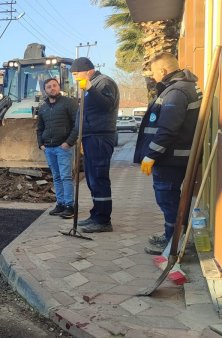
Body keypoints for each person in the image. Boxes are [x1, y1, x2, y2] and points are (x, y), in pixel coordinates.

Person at [134, 53, 202, 255]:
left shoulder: (176, 92)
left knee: (167, 197)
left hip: (171, 158)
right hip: (175, 156)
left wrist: (151, 155)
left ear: (163, 70)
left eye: (154, 72)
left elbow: (168, 129)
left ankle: (174, 241)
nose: (153, 77)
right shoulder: (182, 87)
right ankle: (172, 234)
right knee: (172, 198)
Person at [70, 57, 120, 233]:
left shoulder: (103, 83)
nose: (75, 78)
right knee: (92, 179)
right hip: (90, 137)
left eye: (76, 74)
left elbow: (107, 106)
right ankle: (96, 214)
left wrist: (90, 89)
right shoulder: (90, 85)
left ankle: (103, 220)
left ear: (87, 70)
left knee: (98, 177)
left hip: (100, 136)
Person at [37, 78, 79, 219]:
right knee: (56, 177)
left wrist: (69, 142)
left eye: (54, 85)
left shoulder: (69, 103)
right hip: (49, 148)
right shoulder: (43, 107)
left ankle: (69, 206)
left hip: (63, 148)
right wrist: (40, 144)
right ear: (45, 90)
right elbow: (39, 128)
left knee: (66, 177)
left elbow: (77, 124)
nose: (52, 88)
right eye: (49, 87)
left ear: (59, 87)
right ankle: (60, 204)